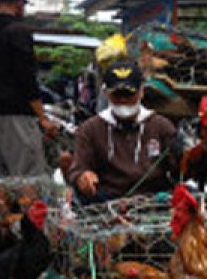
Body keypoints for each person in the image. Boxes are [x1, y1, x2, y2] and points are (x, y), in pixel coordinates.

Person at [0, 0, 59, 176]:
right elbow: (27, 78)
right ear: (19, 5)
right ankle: (28, 208)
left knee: (1, 177)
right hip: (17, 115)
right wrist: (43, 118)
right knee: (28, 176)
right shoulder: (17, 31)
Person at [67, 62, 177, 202]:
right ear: (106, 93)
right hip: (107, 201)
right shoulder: (90, 129)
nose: (123, 100)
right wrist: (82, 177)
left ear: (141, 92)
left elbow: (178, 169)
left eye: (129, 94)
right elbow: (77, 168)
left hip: (153, 198)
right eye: (117, 94)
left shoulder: (161, 126)